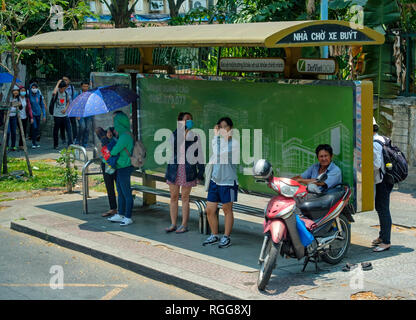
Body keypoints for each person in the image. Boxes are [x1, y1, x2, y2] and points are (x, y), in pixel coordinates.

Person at [165, 112, 205, 234]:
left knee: (185, 198)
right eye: (186, 119)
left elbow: (199, 155)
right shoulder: (174, 134)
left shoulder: (195, 136)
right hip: (174, 169)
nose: (189, 121)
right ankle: (173, 223)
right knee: (173, 197)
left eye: (191, 119)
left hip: (188, 170)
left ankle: (184, 224)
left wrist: (200, 172)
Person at [203, 117, 239, 248]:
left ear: (231, 129)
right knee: (209, 209)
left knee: (227, 209)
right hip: (215, 181)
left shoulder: (234, 144)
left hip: (228, 182)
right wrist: (216, 138)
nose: (223, 129)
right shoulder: (218, 141)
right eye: (220, 126)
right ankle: (214, 235)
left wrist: (215, 137)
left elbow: (219, 154)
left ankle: (226, 237)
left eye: (225, 127)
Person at [107, 111, 135, 226]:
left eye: (115, 121)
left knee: (126, 193)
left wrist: (110, 142)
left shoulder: (124, 136)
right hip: (121, 166)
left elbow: (113, 151)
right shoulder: (125, 134)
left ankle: (128, 216)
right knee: (120, 191)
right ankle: (121, 214)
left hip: (125, 167)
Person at [372, 117, 393, 252]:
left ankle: (386, 241)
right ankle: (382, 236)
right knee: (381, 207)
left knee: (383, 209)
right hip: (387, 178)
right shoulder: (382, 139)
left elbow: (376, 164)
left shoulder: (374, 143)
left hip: (382, 180)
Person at [96, 126, 118, 218]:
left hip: (115, 166)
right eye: (107, 132)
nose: (108, 134)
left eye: (110, 132)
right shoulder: (104, 141)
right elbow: (97, 130)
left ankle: (121, 208)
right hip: (106, 166)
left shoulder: (115, 141)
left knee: (119, 188)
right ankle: (113, 208)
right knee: (109, 188)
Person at [51, 80, 73, 149]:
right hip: (57, 115)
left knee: (69, 129)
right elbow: (54, 92)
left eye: (64, 88)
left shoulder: (66, 93)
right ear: (59, 88)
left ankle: (70, 144)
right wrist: (57, 83)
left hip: (65, 115)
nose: (63, 90)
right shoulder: (57, 92)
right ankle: (55, 144)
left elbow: (68, 102)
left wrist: (66, 109)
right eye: (62, 88)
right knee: (56, 130)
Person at [75, 80, 93, 148]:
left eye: (86, 86)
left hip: (88, 114)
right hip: (80, 114)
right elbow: (75, 104)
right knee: (82, 127)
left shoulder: (90, 93)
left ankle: (84, 143)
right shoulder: (78, 94)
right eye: (84, 86)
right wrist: (77, 114)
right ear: (81, 86)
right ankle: (77, 141)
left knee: (87, 128)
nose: (85, 88)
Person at [28, 82, 46, 148]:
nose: (34, 89)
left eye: (35, 88)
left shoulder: (39, 95)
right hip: (32, 115)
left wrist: (44, 115)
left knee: (37, 129)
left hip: (38, 114)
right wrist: (31, 116)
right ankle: (33, 143)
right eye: (32, 88)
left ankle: (35, 142)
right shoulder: (29, 95)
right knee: (34, 127)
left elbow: (42, 105)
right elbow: (29, 106)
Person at [17, 86, 34, 150]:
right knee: (21, 130)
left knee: (23, 131)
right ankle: (21, 145)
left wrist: (31, 117)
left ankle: (21, 145)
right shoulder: (17, 99)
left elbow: (29, 108)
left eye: (24, 91)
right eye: (21, 91)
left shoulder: (27, 99)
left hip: (25, 117)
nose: (23, 92)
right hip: (18, 117)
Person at [62, 75, 78, 143]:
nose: (64, 81)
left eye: (66, 80)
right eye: (63, 79)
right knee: (63, 124)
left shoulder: (72, 88)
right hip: (63, 109)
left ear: (69, 81)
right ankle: (64, 138)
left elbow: (74, 98)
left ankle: (74, 137)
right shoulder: (61, 87)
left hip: (71, 108)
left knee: (73, 123)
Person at [6, 86, 20, 152]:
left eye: (17, 90)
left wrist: (18, 104)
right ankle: (6, 145)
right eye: (14, 90)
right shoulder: (9, 97)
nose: (16, 92)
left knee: (13, 132)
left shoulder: (18, 98)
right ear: (12, 91)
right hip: (8, 117)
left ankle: (13, 146)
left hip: (14, 117)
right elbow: (6, 105)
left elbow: (21, 106)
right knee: (8, 132)